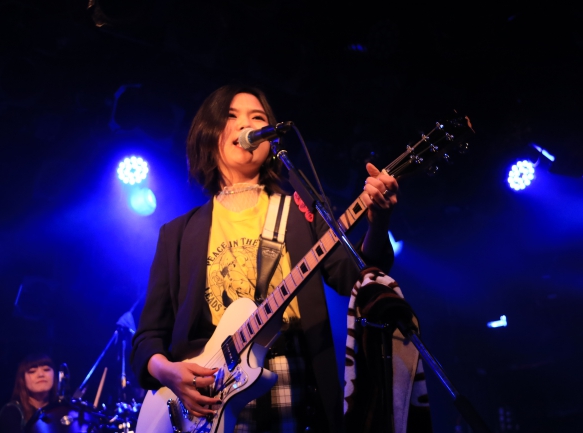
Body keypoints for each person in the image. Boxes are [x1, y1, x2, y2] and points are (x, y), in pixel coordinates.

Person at [130, 84, 399, 432]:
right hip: (208, 391)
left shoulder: (302, 211)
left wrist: (379, 223)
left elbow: (355, 278)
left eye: (258, 118)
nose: (247, 125)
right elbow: (148, 336)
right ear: (209, 133)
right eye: (232, 116)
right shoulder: (177, 234)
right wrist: (168, 372)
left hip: (294, 375)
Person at [0, 353, 58, 433]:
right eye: (32, 371)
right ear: (23, 380)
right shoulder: (12, 412)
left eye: (46, 370)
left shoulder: (61, 410)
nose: (41, 374)